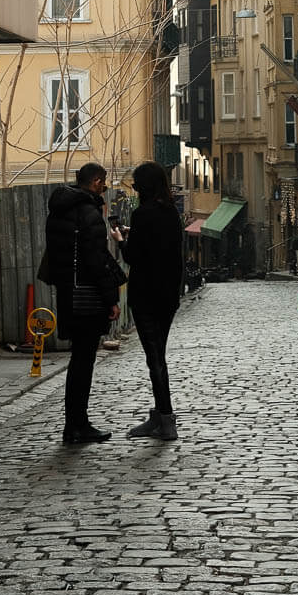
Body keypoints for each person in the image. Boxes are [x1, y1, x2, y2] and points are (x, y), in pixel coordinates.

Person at [45, 162, 127, 445]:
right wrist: (111, 298)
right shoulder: (87, 211)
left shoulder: (60, 208)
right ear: (95, 182)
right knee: (83, 361)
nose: (104, 188)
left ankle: (75, 423)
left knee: (78, 360)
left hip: (68, 292)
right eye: (103, 183)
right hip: (87, 297)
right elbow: (96, 259)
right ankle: (77, 425)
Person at [113, 160, 184, 441]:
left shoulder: (142, 214)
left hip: (145, 295)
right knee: (158, 355)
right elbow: (167, 250)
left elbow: (132, 257)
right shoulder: (171, 213)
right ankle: (160, 415)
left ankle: (165, 419)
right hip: (168, 295)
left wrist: (120, 240)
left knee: (154, 358)